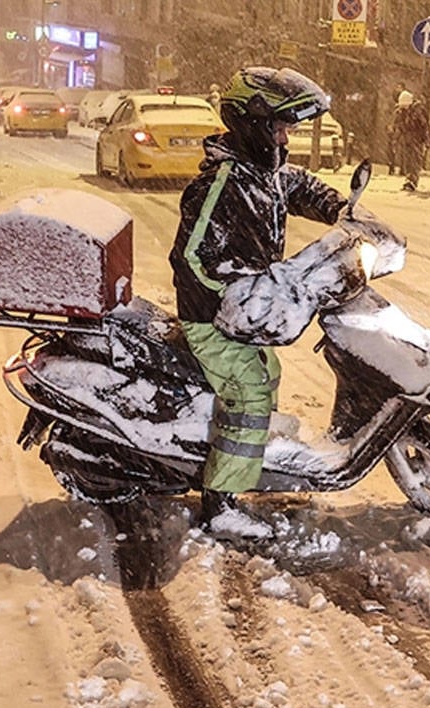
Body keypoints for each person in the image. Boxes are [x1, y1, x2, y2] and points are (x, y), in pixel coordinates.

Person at [169, 67, 349, 527]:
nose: (286, 140)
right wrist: (233, 292)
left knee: (267, 370)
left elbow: (298, 186)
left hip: (242, 314)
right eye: (280, 128)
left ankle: (246, 454)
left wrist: (342, 210)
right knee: (249, 391)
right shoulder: (222, 184)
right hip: (212, 318)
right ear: (253, 124)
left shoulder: (262, 172)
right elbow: (191, 256)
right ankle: (221, 501)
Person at [395, 89, 429, 191]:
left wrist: (426, 139)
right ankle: (408, 179)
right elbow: (400, 126)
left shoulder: (418, 111)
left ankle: (413, 181)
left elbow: (424, 126)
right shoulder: (402, 112)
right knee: (408, 160)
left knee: (414, 161)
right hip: (407, 139)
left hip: (416, 140)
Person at [386, 82, 406, 175]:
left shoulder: (405, 101)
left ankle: (402, 168)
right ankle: (391, 166)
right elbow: (390, 114)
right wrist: (390, 125)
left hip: (401, 128)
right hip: (394, 127)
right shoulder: (393, 100)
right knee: (391, 148)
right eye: (397, 87)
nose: (398, 89)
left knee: (401, 149)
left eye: (400, 87)